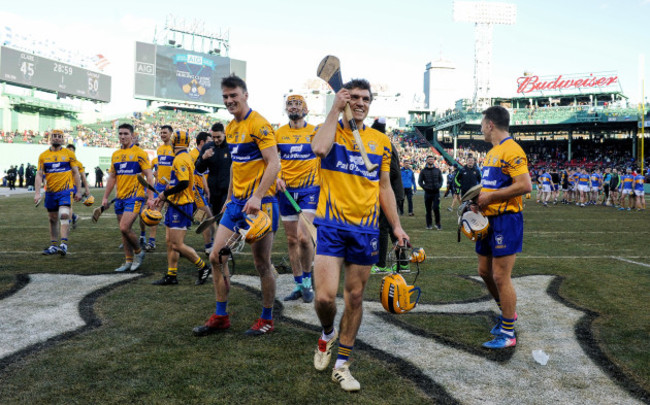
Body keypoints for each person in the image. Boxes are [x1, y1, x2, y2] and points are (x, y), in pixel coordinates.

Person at [310, 79, 409, 391]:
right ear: (344, 99)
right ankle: (327, 333)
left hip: (365, 229)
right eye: (353, 97)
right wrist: (334, 110)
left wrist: (395, 227)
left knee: (354, 296)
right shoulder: (330, 130)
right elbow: (319, 148)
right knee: (325, 297)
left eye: (365, 98)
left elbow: (384, 188)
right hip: (331, 226)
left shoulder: (380, 142)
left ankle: (343, 364)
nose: (360, 103)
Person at [193, 75, 280, 337]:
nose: (230, 100)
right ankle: (221, 316)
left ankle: (266, 319)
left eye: (234, 96)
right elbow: (237, 165)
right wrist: (231, 196)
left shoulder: (260, 125)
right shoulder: (230, 128)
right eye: (226, 97)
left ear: (245, 95)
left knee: (262, 264)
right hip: (236, 204)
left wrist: (257, 197)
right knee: (215, 256)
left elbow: (273, 163)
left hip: (261, 204)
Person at [476, 105, 532, 349]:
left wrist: (491, 198)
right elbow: (488, 188)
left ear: (490, 124)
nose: (481, 129)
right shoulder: (492, 152)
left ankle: (508, 332)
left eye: (482, 124)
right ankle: (507, 314)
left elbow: (525, 185)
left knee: (500, 275)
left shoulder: (512, 149)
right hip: (488, 220)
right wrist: (476, 203)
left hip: (506, 220)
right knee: (484, 272)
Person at [151, 130, 212, 286]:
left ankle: (203, 267)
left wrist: (165, 193)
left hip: (181, 205)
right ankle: (172, 275)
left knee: (177, 244)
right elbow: (179, 182)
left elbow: (184, 183)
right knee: (169, 242)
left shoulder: (180, 159)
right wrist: (165, 194)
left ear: (174, 142)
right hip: (176, 204)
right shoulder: (183, 157)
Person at [275, 94, 318, 303]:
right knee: (292, 240)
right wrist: (276, 177)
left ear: (306, 110)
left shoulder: (315, 132)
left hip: (310, 190)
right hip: (286, 192)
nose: (294, 107)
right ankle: (299, 284)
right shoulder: (279, 133)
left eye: (298, 103)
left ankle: (309, 281)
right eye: (290, 104)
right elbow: (273, 161)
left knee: (303, 237)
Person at [101, 123, 155, 272]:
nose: (123, 136)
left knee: (125, 227)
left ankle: (139, 252)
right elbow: (112, 177)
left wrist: (150, 197)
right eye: (120, 134)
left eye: (126, 133)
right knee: (123, 230)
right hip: (120, 198)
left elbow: (149, 175)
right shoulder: (116, 155)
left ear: (132, 135)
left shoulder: (140, 153)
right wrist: (105, 197)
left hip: (135, 197)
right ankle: (128, 260)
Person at [34, 130, 82, 255]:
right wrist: (37, 193)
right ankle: (54, 245)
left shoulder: (68, 154)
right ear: (50, 139)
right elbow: (39, 175)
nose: (56, 138)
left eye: (59, 136)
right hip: (50, 192)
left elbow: (76, 173)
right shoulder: (43, 156)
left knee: (64, 215)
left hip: (65, 191)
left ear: (63, 140)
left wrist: (79, 191)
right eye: (54, 136)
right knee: (52, 219)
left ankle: (64, 244)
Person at [370, 118, 405, 275]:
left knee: (382, 228)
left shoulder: (384, 144)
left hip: (391, 193)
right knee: (392, 229)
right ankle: (403, 263)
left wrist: (373, 175)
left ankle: (381, 264)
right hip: (393, 191)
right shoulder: (386, 143)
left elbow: (393, 171)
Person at [145, 125, 175, 251]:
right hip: (159, 186)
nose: (162, 135)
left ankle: (175, 242)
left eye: (165, 132)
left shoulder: (175, 148)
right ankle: (152, 241)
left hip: (172, 187)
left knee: (171, 216)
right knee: (155, 213)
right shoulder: (160, 149)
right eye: (161, 132)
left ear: (171, 133)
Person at [195, 122, 232, 216]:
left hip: (228, 190)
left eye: (218, 137)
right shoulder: (207, 148)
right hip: (213, 191)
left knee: (224, 217)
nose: (216, 140)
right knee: (214, 217)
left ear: (224, 133)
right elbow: (199, 169)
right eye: (213, 137)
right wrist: (204, 157)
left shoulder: (231, 147)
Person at [190, 131, 216, 254]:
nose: (212, 144)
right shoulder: (193, 155)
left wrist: (207, 189)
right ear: (202, 142)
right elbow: (194, 175)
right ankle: (210, 246)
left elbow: (202, 174)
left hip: (201, 190)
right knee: (208, 218)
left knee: (206, 218)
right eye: (209, 142)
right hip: (195, 191)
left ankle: (210, 245)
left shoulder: (203, 154)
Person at [66, 144, 91, 229]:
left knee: (68, 206)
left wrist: (87, 189)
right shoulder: (63, 163)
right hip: (63, 187)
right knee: (61, 206)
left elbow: (83, 177)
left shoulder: (78, 163)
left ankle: (67, 224)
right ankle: (74, 217)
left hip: (72, 187)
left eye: (71, 151)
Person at [418, 155, 443, 230]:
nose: (431, 160)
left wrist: (439, 186)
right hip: (427, 193)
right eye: (429, 159)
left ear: (434, 161)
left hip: (436, 193)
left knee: (436, 208)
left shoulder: (437, 170)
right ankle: (429, 224)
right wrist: (425, 187)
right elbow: (420, 182)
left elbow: (441, 180)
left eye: (432, 159)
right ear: (427, 161)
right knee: (428, 209)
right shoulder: (423, 171)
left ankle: (438, 224)